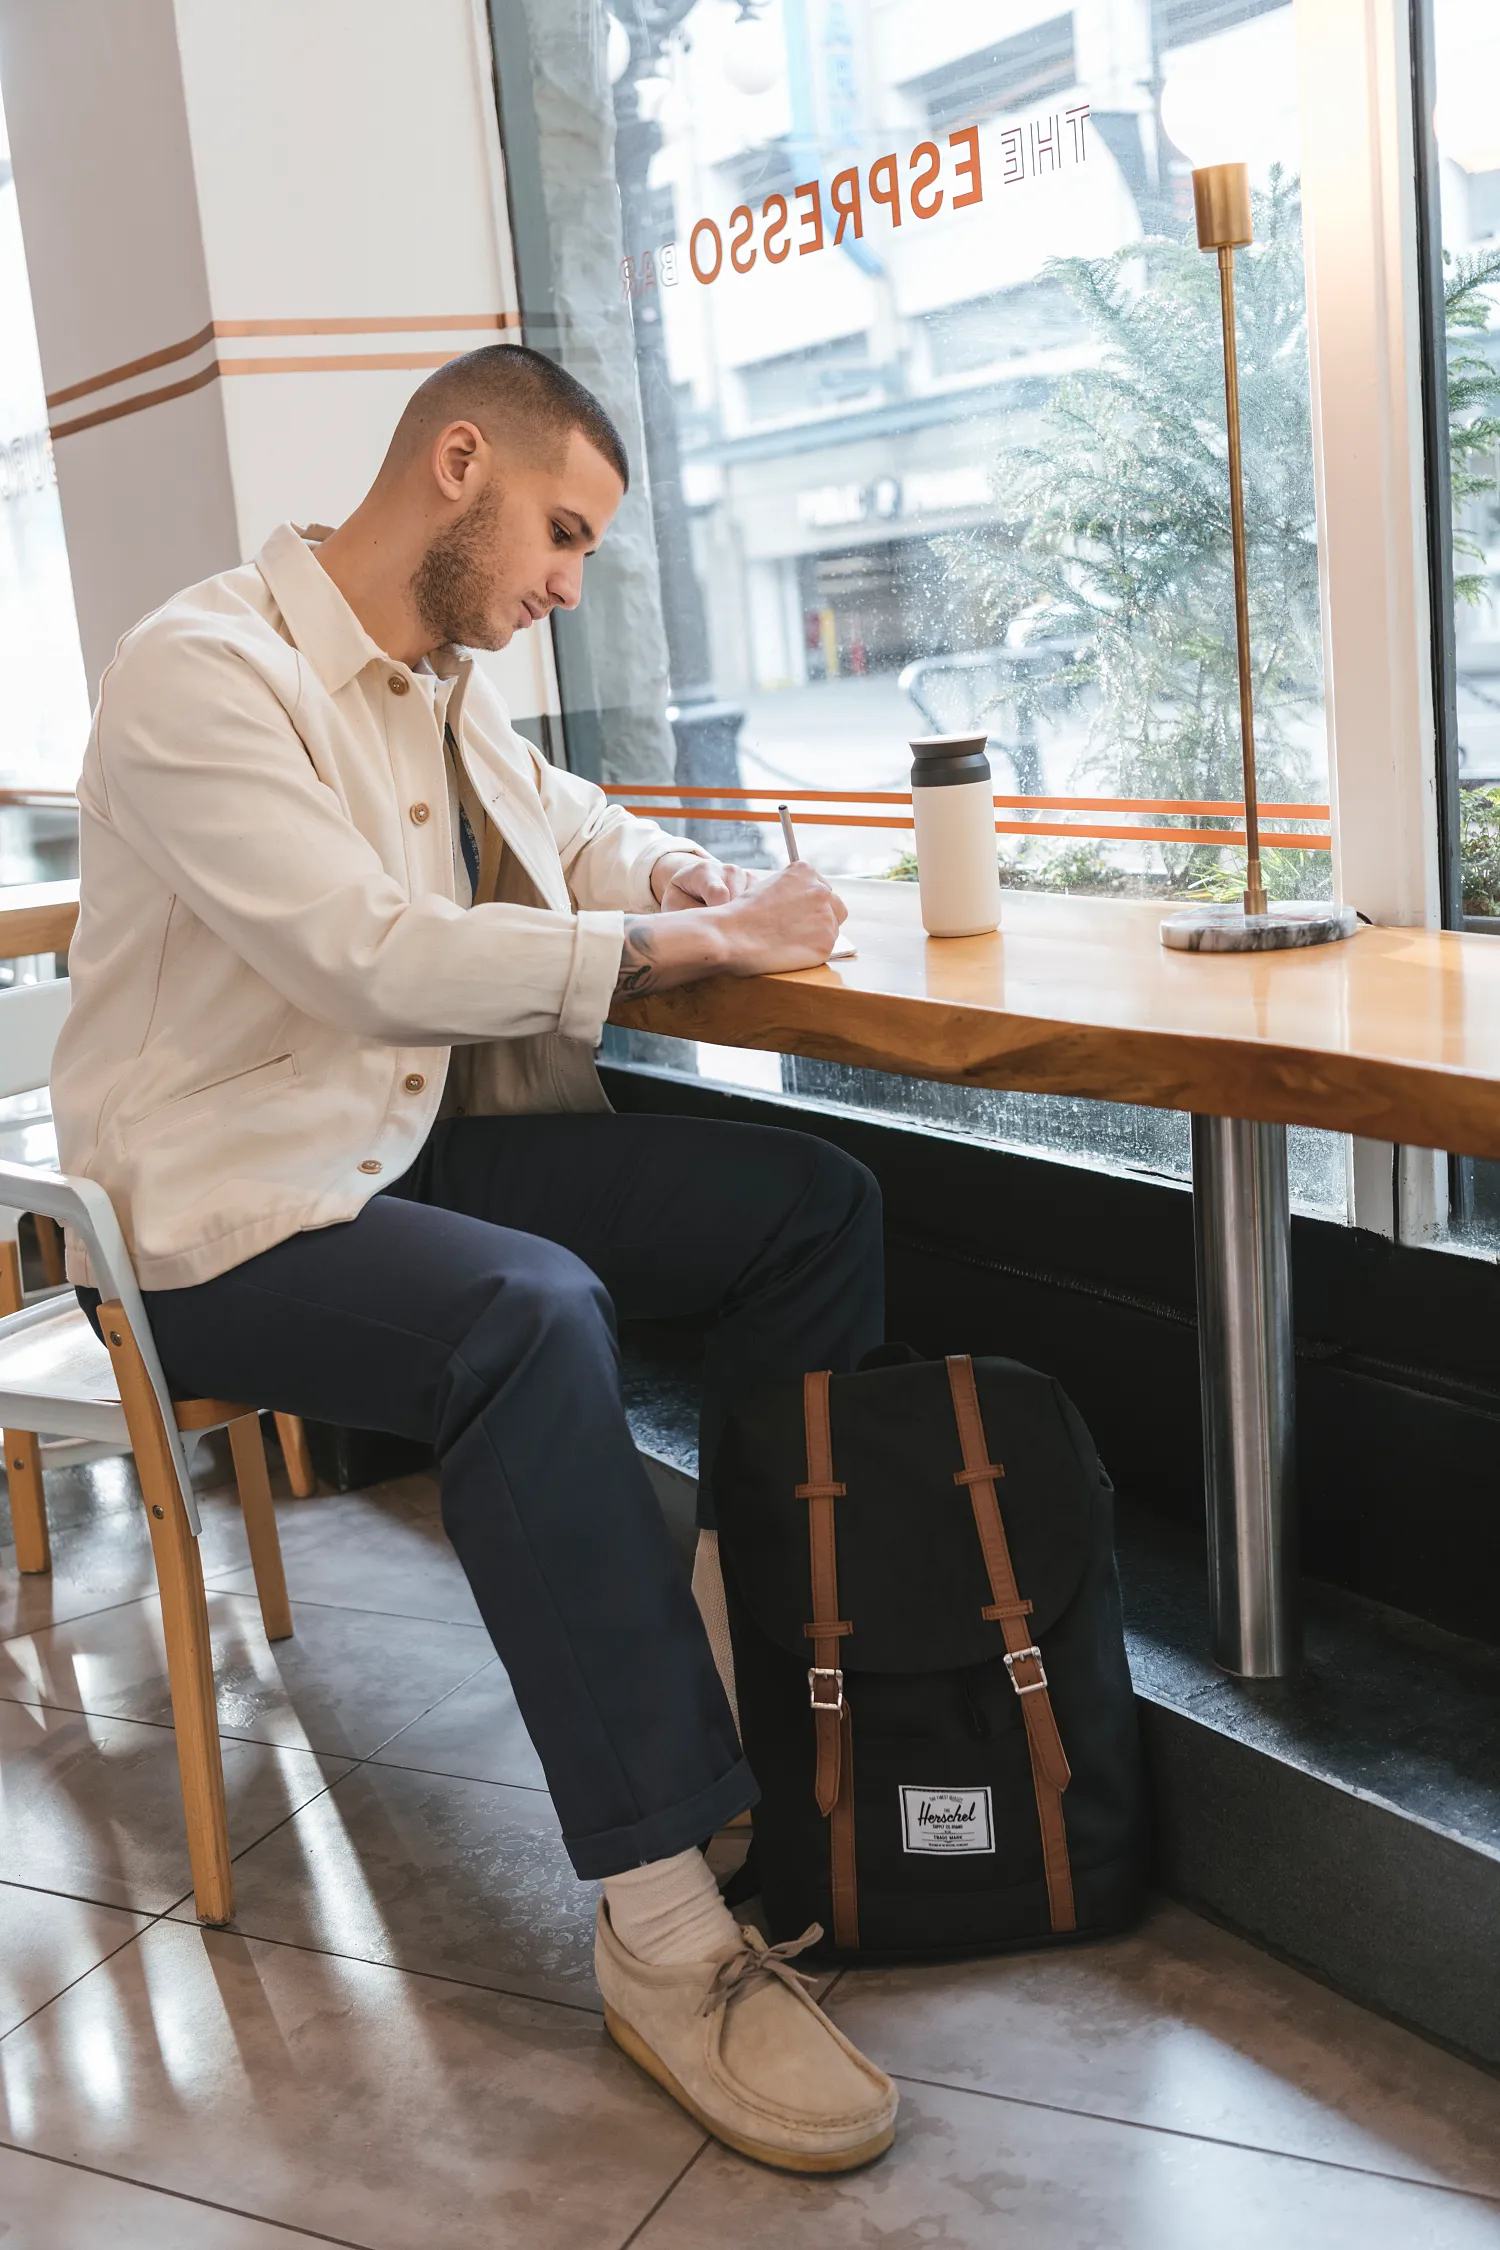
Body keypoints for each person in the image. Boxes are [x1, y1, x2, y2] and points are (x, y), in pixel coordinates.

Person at [51, 345, 896, 2172]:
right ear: (458, 465)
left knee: (809, 1209)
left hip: (392, 1152)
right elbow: (372, 954)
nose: (566, 586)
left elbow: (569, 830)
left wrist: (679, 879)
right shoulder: (201, 671)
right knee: (529, 1312)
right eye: (561, 535)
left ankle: (737, 1706)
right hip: (215, 1210)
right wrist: (692, 950)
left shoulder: (431, 688)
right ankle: (666, 1922)